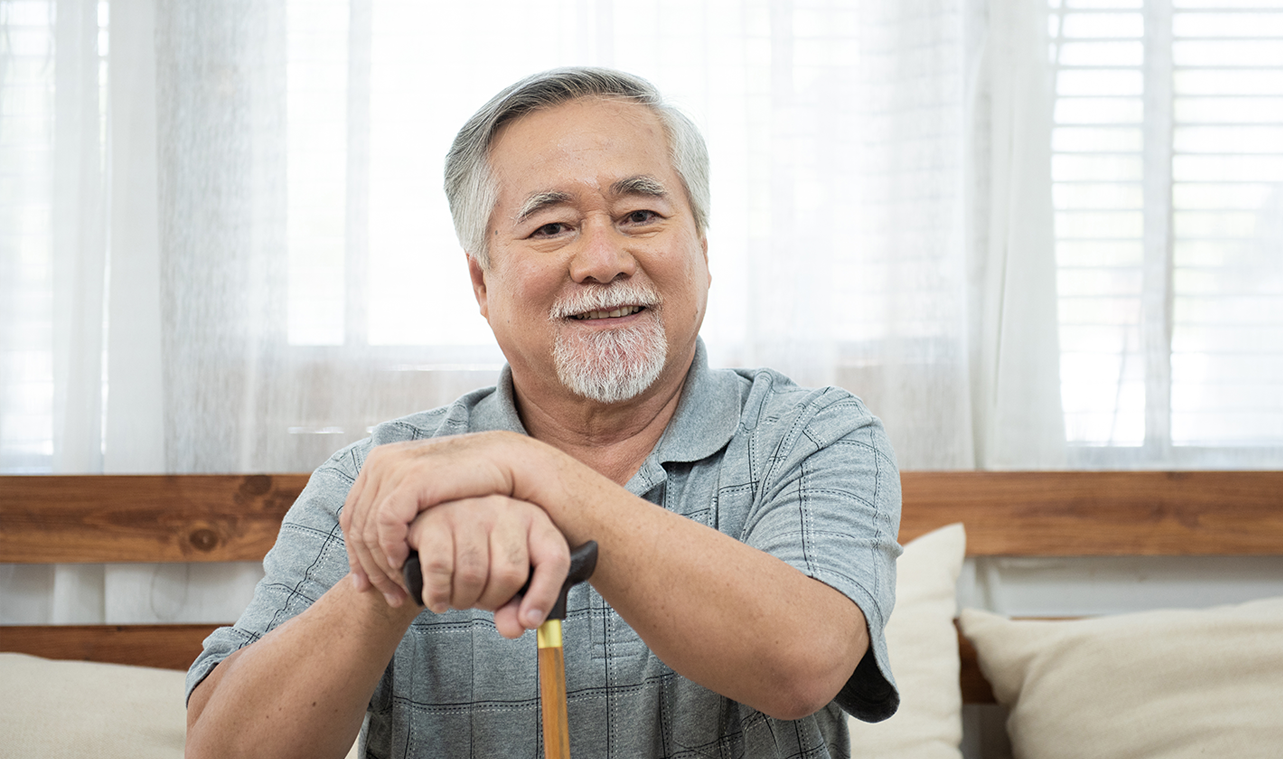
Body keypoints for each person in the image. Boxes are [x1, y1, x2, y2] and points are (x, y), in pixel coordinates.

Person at [185, 67, 902, 759]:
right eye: (552, 227)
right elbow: (221, 749)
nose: (601, 259)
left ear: (703, 252)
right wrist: (394, 571)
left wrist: (532, 473)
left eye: (640, 215)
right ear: (481, 281)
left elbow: (804, 664)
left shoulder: (813, 434)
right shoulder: (380, 479)